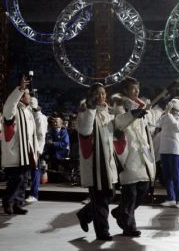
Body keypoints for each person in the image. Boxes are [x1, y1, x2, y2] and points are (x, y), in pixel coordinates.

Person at [112, 77, 156, 237]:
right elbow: (117, 123)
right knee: (130, 192)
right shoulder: (119, 105)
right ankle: (129, 226)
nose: (137, 91)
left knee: (144, 187)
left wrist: (147, 112)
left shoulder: (141, 105)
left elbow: (149, 126)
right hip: (128, 152)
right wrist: (133, 114)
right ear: (125, 90)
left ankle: (120, 211)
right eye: (133, 89)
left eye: (137, 88)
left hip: (142, 152)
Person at [76, 83, 118, 241]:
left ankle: (85, 214)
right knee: (101, 199)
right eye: (98, 94)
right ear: (91, 96)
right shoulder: (84, 112)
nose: (102, 96)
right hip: (95, 166)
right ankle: (102, 232)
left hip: (107, 164)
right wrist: (91, 108)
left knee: (109, 195)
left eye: (104, 93)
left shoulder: (108, 113)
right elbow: (86, 130)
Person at [1, 76, 39, 215]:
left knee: (23, 180)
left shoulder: (27, 111)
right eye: (28, 94)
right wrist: (20, 89)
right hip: (15, 152)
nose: (30, 96)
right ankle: (8, 202)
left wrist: (35, 150)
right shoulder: (13, 110)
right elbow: (9, 104)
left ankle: (17, 203)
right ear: (21, 97)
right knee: (15, 179)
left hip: (26, 152)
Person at [158, 98, 179, 208]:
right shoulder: (167, 116)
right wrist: (165, 113)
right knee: (167, 176)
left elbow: (176, 127)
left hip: (175, 150)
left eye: (172, 108)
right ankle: (171, 198)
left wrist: (169, 114)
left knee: (176, 175)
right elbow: (158, 124)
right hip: (164, 149)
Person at [26, 97, 48, 203]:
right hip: (27, 146)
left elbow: (41, 135)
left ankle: (34, 194)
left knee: (35, 170)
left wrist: (39, 149)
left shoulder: (40, 117)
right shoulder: (28, 115)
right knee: (29, 170)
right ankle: (30, 194)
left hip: (35, 148)